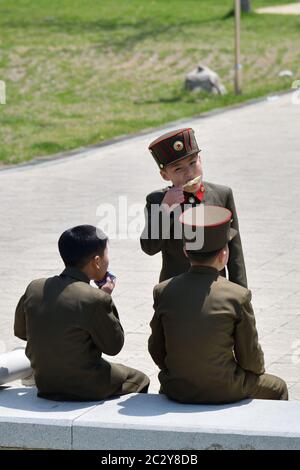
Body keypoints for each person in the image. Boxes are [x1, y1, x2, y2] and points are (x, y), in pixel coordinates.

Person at [148, 205, 288, 403]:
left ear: (186, 251)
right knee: (279, 387)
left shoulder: (163, 290)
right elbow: (250, 358)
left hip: (176, 387)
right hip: (225, 388)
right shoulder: (237, 295)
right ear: (223, 254)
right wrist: (254, 372)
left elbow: (156, 349)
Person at [14, 225, 149, 401]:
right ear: (97, 261)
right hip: (85, 385)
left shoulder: (35, 287)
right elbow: (113, 346)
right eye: (107, 255)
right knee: (140, 379)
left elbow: (21, 332)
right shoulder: (95, 298)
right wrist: (104, 297)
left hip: (45, 381)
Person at [141, 127, 247, 287]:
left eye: (193, 162)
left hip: (215, 290)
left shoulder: (221, 194)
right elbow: (149, 247)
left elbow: (235, 252)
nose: (189, 173)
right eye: (178, 169)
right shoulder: (158, 200)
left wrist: (241, 296)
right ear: (165, 175)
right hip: (175, 291)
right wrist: (165, 209)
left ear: (200, 160)